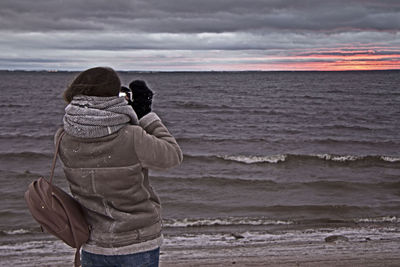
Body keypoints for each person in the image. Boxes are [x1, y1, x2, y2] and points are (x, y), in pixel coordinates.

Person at [56, 67, 183, 267]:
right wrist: (145, 114)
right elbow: (172, 156)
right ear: (112, 97)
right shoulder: (132, 136)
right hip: (136, 242)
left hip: (92, 241)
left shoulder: (63, 137)